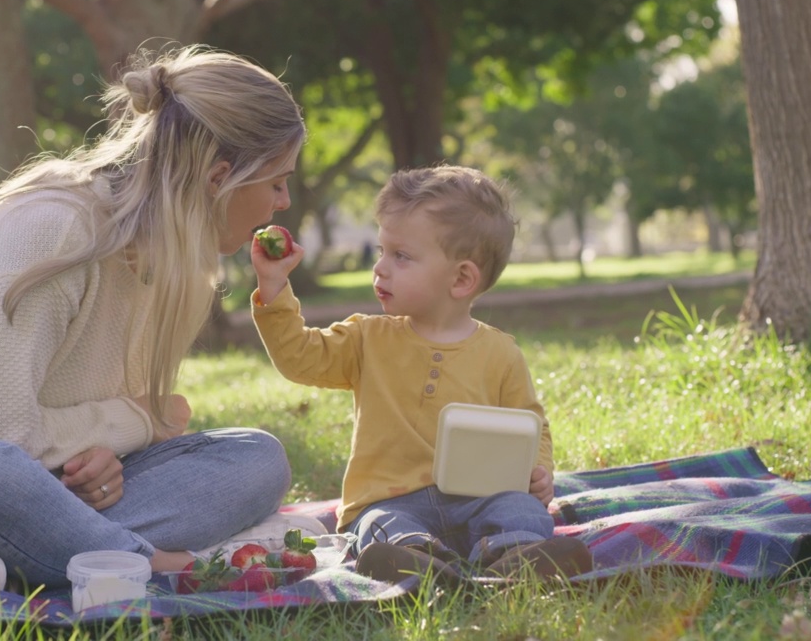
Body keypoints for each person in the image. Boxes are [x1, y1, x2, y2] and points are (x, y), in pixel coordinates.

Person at [0, 45, 305, 591]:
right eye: (277, 181)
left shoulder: (182, 271)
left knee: (257, 458)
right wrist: (138, 421)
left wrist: (106, 457)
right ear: (219, 178)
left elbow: (77, 444)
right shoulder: (54, 228)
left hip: (47, 496)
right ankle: (149, 567)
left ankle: (5, 566)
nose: (283, 201)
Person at [249, 165, 592, 585]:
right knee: (375, 524)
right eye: (381, 250)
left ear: (462, 277)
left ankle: (516, 556)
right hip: (391, 500)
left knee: (521, 509)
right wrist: (273, 289)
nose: (380, 268)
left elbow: (531, 426)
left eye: (401, 256)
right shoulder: (366, 337)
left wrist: (538, 471)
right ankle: (416, 561)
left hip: (478, 498)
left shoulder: (500, 353)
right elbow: (299, 358)